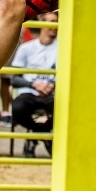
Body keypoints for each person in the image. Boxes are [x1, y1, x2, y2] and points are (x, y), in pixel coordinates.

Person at [8, 11, 59, 157]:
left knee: (68, 108)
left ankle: (35, 136)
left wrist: (53, 85)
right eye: (49, 22)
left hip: (53, 94)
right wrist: (33, 85)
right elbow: (14, 78)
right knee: (18, 108)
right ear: (40, 23)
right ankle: (42, 134)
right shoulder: (26, 48)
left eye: (55, 22)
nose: (53, 26)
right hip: (29, 93)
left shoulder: (63, 48)